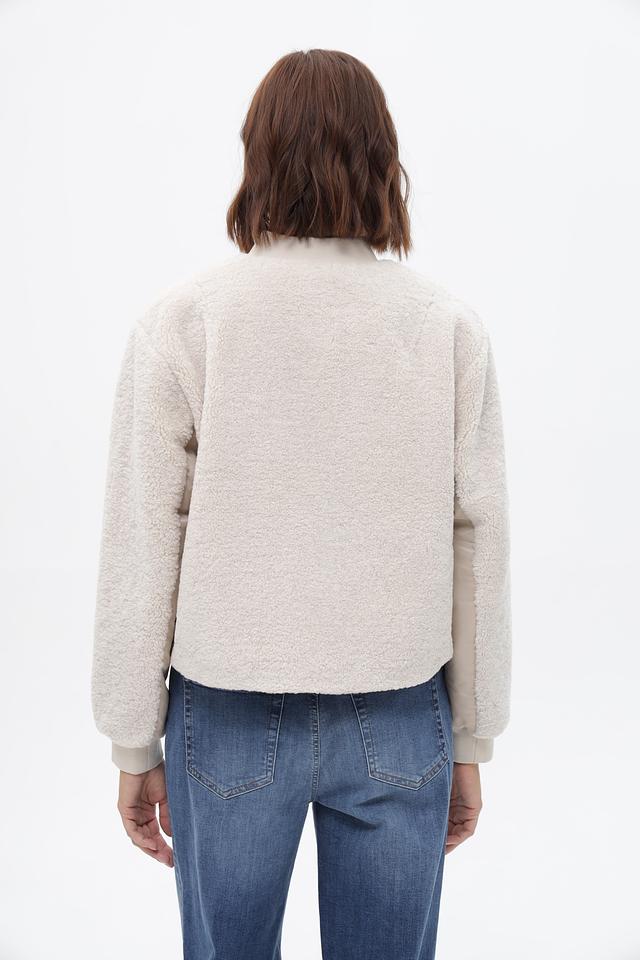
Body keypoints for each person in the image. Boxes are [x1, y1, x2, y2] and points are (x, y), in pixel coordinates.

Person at [91, 48, 511, 960]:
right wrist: (472, 737)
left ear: (258, 156)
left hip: (227, 718)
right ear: (383, 160)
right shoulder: (445, 328)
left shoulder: (186, 321)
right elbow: (477, 542)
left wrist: (131, 743)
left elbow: (143, 539)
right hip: (399, 714)